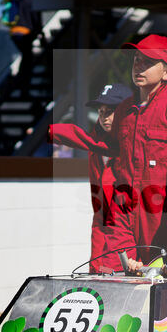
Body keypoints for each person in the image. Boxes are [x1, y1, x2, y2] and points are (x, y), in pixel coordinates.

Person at [43, 35, 167, 269]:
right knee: (116, 265)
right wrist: (57, 132)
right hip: (123, 202)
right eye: (136, 60)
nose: (138, 66)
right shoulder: (124, 109)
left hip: (160, 205)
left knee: (163, 267)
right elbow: (109, 146)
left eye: (148, 62)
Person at [49, 82, 132, 271]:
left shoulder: (135, 145)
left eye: (110, 111)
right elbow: (100, 212)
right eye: (101, 111)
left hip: (128, 241)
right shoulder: (96, 142)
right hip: (102, 230)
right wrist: (96, 263)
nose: (104, 117)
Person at [7, 0, 42, 98]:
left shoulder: (17, 0)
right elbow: (36, 21)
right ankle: (21, 85)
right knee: (28, 59)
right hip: (26, 33)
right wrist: (40, 33)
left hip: (14, 33)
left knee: (26, 57)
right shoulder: (34, 2)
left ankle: (19, 82)